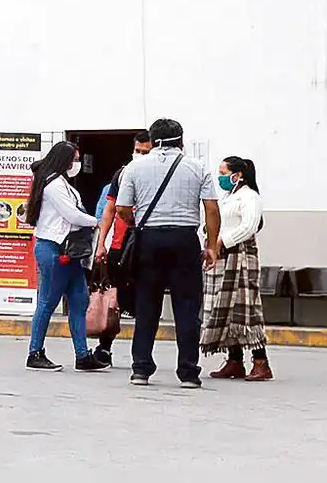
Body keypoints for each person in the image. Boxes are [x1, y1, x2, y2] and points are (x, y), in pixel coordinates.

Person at [116, 119, 220, 388]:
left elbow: (122, 208)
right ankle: (188, 372)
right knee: (187, 307)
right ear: (181, 140)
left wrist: (137, 224)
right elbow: (211, 208)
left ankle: (141, 369)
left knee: (146, 304)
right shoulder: (197, 167)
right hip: (185, 238)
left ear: (152, 140)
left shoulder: (135, 167)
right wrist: (211, 245)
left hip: (149, 238)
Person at [24, 141, 109, 372]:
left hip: (69, 251)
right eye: (75, 159)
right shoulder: (53, 185)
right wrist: (98, 221)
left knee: (80, 301)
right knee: (47, 302)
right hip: (53, 249)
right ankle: (35, 352)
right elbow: (72, 215)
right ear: (64, 160)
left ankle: (82, 355)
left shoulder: (62, 183)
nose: (77, 164)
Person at [201, 157, 272, 381]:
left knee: (246, 309)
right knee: (224, 309)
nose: (220, 176)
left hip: (240, 257)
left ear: (237, 174)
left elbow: (249, 226)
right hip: (221, 258)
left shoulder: (250, 196)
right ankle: (235, 360)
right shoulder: (228, 196)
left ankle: (261, 362)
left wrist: (223, 241)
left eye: (223, 172)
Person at [90, 130, 153, 366]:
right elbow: (108, 210)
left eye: (146, 152)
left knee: (146, 301)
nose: (141, 156)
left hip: (148, 246)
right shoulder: (122, 175)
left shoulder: (160, 177)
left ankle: (142, 357)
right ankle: (104, 348)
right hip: (120, 246)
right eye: (138, 151)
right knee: (113, 300)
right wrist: (101, 244)